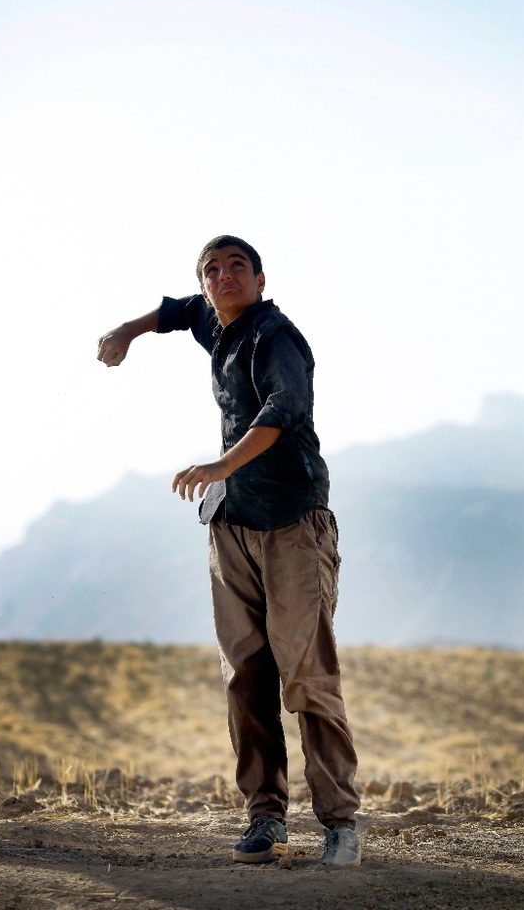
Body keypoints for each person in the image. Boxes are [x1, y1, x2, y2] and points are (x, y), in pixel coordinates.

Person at [97, 235, 360, 868]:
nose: (222, 277)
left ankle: (340, 824)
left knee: (305, 675)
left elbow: (282, 409)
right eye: (212, 270)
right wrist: (124, 332)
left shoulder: (276, 335)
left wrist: (219, 464)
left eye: (236, 266)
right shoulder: (212, 320)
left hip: (292, 522)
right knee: (244, 675)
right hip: (230, 525)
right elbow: (174, 311)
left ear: (261, 278)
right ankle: (265, 820)